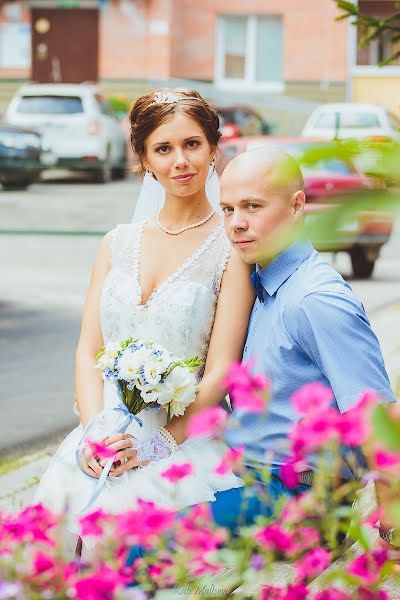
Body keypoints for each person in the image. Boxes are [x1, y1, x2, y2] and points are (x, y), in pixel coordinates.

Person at [34, 88, 254, 552]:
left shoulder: (230, 251)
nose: (181, 161)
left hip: (183, 438)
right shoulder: (116, 242)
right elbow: (87, 350)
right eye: (164, 148)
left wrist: (159, 447)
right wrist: (95, 434)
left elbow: (219, 372)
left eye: (193, 144)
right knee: (56, 543)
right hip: (104, 431)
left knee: (118, 545)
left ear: (214, 149)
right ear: (143, 158)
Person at [210, 148, 396, 538]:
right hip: (249, 477)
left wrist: (392, 520)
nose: (236, 224)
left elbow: (377, 415)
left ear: (297, 206)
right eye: (227, 209)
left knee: (133, 547)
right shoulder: (261, 283)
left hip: (299, 499)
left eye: (252, 207)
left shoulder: (315, 299)